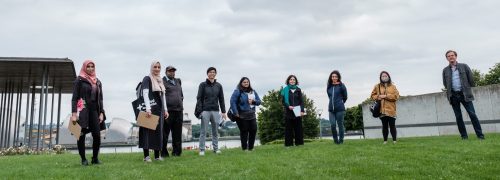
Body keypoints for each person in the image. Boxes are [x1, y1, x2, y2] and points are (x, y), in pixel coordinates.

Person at [442, 50, 484, 140]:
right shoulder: (445, 70)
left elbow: (471, 79)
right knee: (458, 117)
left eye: (452, 55)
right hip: (453, 96)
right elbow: (445, 84)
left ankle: (480, 135)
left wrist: (466, 89)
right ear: (447, 58)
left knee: (472, 114)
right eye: (448, 56)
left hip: (465, 94)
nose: (451, 57)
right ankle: (464, 136)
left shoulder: (464, 66)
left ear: (456, 56)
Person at [71, 60, 106, 166]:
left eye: (92, 66)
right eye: (88, 66)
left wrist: (102, 113)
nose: (90, 68)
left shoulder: (98, 82)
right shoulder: (79, 80)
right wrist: (74, 114)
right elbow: (74, 98)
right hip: (83, 111)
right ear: (84, 67)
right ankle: (83, 159)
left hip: (95, 111)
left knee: (97, 135)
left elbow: (100, 99)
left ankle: (95, 158)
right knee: (81, 135)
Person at [139, 61, 169, 162]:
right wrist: (148, 108)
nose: (157, 69)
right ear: (151, 68)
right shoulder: (147, 78)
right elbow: (145, 93)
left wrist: (165, 109)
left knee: (158, 133)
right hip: (150, 109)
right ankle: (146, 156)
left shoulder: (160, 80)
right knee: (147, 132)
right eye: (155, 67)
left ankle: (156, 156)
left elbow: (163, 95)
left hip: (159, 109)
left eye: (158, 67)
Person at [195, 67, 226, 156]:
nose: (212, 73)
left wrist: (223, 112)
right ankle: (202, 150)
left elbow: (221, 99)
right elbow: (199, 98)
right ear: (207, 74)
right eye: (210, 72)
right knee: (203, 131)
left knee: (215, 131)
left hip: (216, 111)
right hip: (205, 111)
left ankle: (216, 149)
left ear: (215, 74)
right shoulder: (202, 85)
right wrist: (200, 111)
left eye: (213, 72)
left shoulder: (219, 86)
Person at [230, 77, 261, 151]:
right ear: (241, 83)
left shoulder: (253, 91)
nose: (246, 83)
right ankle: (244, 148)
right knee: (244, 131)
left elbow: (259, 101)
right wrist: (235, 112)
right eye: (244, 82)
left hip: (252, 114)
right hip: (241, 115)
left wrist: (253, 102)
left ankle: (251, 147)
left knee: (253, 130)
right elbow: (232, 102)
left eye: (247, 82)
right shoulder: (237, 91)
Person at [370, 71, 400, 144]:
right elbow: (372, 95)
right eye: (382, 76)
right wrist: (378, 97)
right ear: (380, 78)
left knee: (392, 125)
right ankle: (385, 141)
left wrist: (386, 96)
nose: (384, 77)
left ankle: (394, 140)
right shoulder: (377, 86)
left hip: (391, 109)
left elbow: (396, 96)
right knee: (384, 126)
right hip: (382, 110)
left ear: (388, 77)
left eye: (385, 76)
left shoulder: (393, 86)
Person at [161, 65, 184, 157]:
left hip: (179, 111)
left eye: (173, 71)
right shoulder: (162, 81)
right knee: (165, 133)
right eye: (170, 71)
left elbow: (181, 95)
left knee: (177, 133)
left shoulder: (178, 81)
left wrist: (180, 101)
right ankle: (163, 152)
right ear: (166, 72)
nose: (172, 72)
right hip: (168, 112)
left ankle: (177, 152)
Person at [281, 75, 305, 147]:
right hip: (288, 111)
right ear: (288, 81)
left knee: (298, 128)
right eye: (291, 79)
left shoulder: (298, 90)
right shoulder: (285, 90)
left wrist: (302, 110)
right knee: (288, 129)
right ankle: (289, 144)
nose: (292, 81)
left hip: (297, 111)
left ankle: (299, 143)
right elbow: (283, 102)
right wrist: (288, 106)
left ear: (296, 81)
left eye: (294, 79)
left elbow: (301, 102)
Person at [326, 70, 348, 145]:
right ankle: (335, 140)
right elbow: (330, 96)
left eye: (335, 76)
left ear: (338, 77)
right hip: (331, 109)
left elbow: (345, 96)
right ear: (331, 78)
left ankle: (341, 140)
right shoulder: (329, 86)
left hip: (340, 109)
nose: (334, 78)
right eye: (333, 76)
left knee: (340, 125)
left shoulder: (341, 85)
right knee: (332, 125)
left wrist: (340, 103)